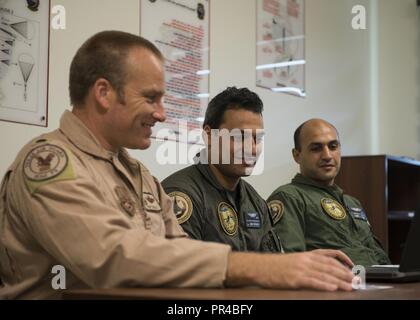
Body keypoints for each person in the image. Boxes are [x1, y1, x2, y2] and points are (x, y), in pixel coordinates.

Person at [0, 31, 354, 299]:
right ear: (104, 93)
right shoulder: (48, 164)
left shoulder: (139, 175)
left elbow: (179, 253)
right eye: (150, 97)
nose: (162, 113)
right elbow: (113, 259)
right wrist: (266, 268)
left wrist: (294, 267)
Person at [162, 87, 281, 253]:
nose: (252, 149)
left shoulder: (256, 201)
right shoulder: (181, 195)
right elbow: (182, 270)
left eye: (258, 138)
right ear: (209, 135)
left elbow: (272, 265)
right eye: (240, 137)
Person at [267, 119, 391, 266]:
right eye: (316, 148)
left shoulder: (352, 202)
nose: (327, 155)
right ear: (297, 155)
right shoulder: (289, 197)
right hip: (337, 285)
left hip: (380, 281)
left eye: (333, 146)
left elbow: (375, 253)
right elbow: (290, 264)